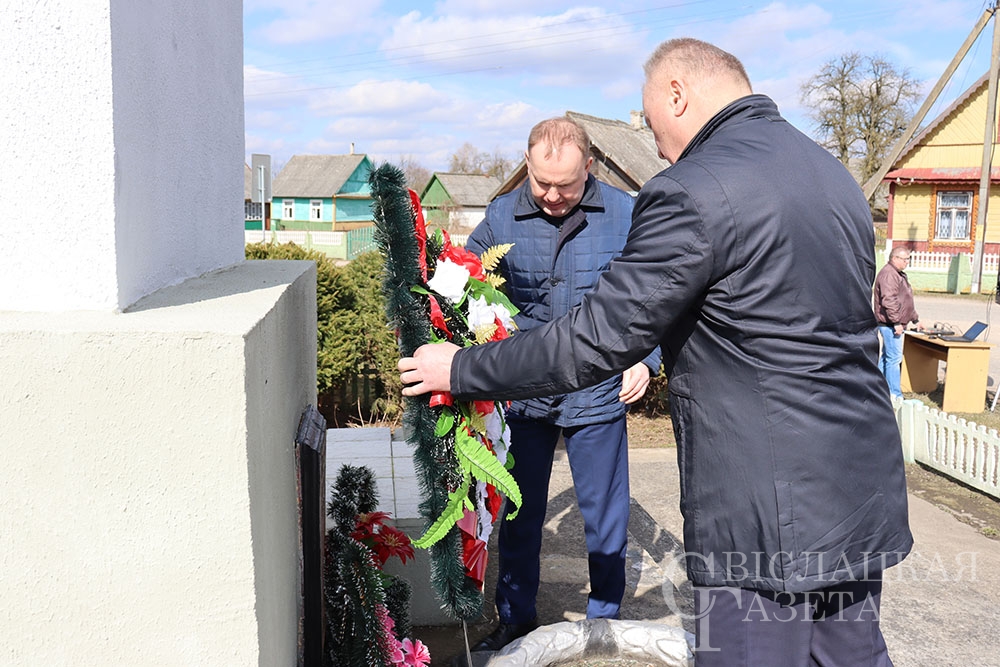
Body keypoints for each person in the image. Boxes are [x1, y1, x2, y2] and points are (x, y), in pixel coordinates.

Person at [400, 38, 912, 667]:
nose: (659, 145)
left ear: (678, 94)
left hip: (766, 516)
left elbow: (598, 337)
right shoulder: (828, 172)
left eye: (651, 119)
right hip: (854, 488)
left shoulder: (692, 189)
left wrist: (461, 368)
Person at [462, 116, 662, 652]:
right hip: (524, 393)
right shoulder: (502, 214)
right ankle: (515, 618)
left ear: (589, 167)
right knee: (520, 514)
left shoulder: (626, 212)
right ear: (528, 165)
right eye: (542, 182)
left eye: (566, 185)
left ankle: (603, 620)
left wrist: (649, 357)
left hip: (598, 390)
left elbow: (662, 292)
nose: (552, 195)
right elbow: (464, 280)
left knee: (604, 515)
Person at [874, 247, 921, 398]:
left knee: (888, 357)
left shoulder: (897, 274)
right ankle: (894, 394)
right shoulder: (889, 274)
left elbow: (905, 300)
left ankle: (878, 389)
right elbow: (889, 300)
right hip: (890, 324)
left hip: (893, 323)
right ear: (894, 258)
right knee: (894, 359)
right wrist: (896, 322)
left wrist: (916, 320)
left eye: (908, 259)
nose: (907, 262)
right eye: (904, 259)